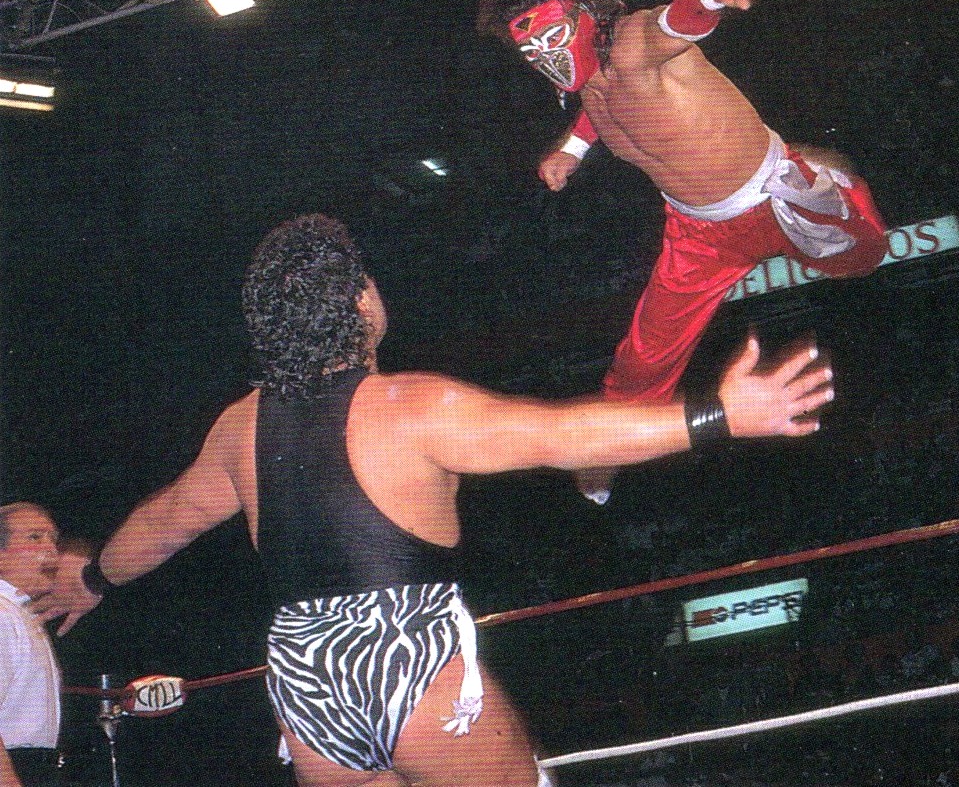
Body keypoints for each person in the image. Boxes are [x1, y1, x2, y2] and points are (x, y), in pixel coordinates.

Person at [36, 214, 834, 787]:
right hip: (407, 657)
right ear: (360, 301)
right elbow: (561, 436)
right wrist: (719, 415)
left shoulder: (239, 427)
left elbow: (165, 522)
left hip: (305, 677)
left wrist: (94, 578)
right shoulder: (408, 406)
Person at [476, 0, 887, 500]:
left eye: (552, 37)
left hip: (770, 194)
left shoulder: (633, 42)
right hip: (697, 230)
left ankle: (821, 170)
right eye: (532, 49)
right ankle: (604, 455)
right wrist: (572, 149)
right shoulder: (590, 80)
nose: (547, 56)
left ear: (585, 13)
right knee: (643, 358)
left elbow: (677, 22)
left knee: (862, 255)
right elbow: (601, 108)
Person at [0, 503, 62, 787]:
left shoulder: (21, 613)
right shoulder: (3, 615)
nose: (51, 550)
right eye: (35, 537)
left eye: (54, 539)